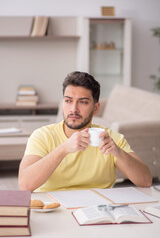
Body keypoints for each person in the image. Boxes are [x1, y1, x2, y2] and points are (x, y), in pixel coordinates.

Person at [18, 71, 152, 192]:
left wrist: (118, 152)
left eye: (83, 102)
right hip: (55, 209)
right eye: (68, 101)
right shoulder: (42, 136)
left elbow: (145, 181)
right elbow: (25, 185)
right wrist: (63, 149)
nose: (73, 109)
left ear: (96, 108)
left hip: (98, 209)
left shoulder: (109, 138)